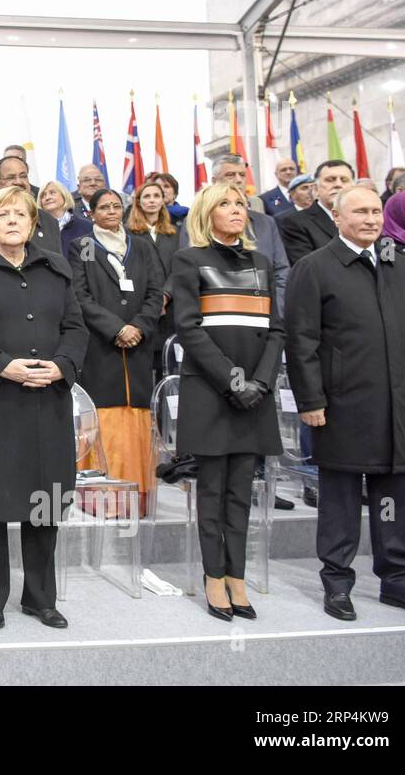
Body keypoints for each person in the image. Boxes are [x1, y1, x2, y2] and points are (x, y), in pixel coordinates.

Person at [285, 185, 405, 621]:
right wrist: (311, 399)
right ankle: (337, 581)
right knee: (341, 498)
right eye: (361, 212)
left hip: (400, 406)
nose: (372, 219)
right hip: (342, 406)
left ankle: (398, 581)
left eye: (376, 211)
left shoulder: (401, 267)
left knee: (394, 496)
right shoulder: (314, 268)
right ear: (338, 217)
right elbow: (302, 342)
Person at [0, 186, 87, 630]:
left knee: (43, 505)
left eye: (20, 215)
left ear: (33, 224)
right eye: (2, 214)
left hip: (47, 401)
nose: (11, 220)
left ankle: (40, 599)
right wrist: (2, 365)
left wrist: (61, 367)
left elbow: (76, 328)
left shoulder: (56, 269)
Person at [169, 182, 284, 622]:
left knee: (241, 494)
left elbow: (277, 329)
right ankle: (213, 576)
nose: (237, 210)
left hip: (255, 393)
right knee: (213, 491)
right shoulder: (189, 259)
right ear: (207, 213)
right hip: (213, 392)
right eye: (226, 204)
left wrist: (259, 382)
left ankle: (237, 575)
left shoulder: (261, 262)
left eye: (241, 204)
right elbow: (189, 328)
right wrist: (233, 382)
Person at [69, 187, 164, 517]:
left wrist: (138, 326)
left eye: (116, 206)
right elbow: (79, 296)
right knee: (104, 413)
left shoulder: (141, 246)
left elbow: (156, 292)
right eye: (104, 207)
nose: (111, 211)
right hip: (101, 347)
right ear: (91, 213)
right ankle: (104, 497)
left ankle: (137, 495)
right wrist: (116, 328)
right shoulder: (82, 247)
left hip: (138, 346)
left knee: (135, 414)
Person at [213, 154, 289, 312]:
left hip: (266, 314)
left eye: (241, 174)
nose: (238, 179)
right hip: (218, 316)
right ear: (214, 181)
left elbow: (282, 270)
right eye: (230, 175)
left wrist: (277, 309)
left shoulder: (267, 223)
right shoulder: (197, 222)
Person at [127, 179, 181, 380]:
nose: (152, 200)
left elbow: (180, 268)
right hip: (142, 307)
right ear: (138, 202)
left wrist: (165, 296)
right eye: (146, 196)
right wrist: (153, 300)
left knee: (170, 367)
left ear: (163, 200)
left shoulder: (176, 233)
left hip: (172, 308)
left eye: (156, 196)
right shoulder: (128, 233)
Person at [281, 159, 355, 265]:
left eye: (344, 180)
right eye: (330, 180)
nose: (338, 184)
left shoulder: (366, 219)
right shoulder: (296, 223)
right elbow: (307, 266)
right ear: (316, 188)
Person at [38, 179, 93, 254]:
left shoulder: (86, 226)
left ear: (64, 196)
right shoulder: (36, 230)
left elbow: (89, 258)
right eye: (43, 195)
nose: (47, 198)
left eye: (52, 193)